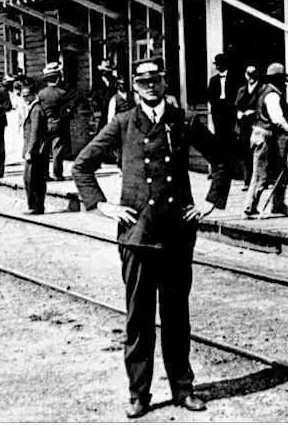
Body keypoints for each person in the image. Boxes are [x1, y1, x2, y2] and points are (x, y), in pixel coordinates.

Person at [72, 59, 230, 419]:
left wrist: (209, 202)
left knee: (177, 316)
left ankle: (183, 389)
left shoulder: (183, 121)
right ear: (135, 85)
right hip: (138, 236)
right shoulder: (123, 122)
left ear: (163, 82)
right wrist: (102, 205)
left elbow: (221, 159)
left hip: (175, 233)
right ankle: (138, 393)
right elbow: (81, 164)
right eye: (143, 82)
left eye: (155, 80)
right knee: (138, 319)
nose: (150, 87)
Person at [244, 62, 288, 218]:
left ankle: (279, 205)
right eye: (283, 80)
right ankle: (249, 208)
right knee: (260, 175)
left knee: (280, 169)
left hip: (266, 136)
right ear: (277, 79)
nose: (285, 84)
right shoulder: (272, 95)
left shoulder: (262, 91)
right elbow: (277, 118)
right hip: (264, 136)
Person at [206, 53, 240, 178]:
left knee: (231, 140)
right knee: (219, 141)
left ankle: (233, 170)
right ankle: (219, 170)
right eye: (216, 65)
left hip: (230, 113)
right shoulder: (213, 80)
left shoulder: (234, 78)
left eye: (220, 64)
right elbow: (210, 97)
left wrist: (232, 107)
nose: (217, 67)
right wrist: (217, 106)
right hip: (218, 115)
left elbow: (237, 95)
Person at [38, 62, 72, 180]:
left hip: (45, 124)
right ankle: (57, 174)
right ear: (57, 78)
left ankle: (44, 174)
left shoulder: (41, 94)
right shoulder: (62, 93)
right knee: (58, 149)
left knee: (44, 150)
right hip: (58, 124)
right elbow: (67, 111)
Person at [233, 65, 264, 192]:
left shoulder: (262, 89)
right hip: (244, 126)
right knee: (246, 154)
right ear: (246, 75)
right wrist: (239, 113)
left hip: (257, 124)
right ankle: (247, 181)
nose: (251, 78)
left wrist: (253, 112)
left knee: (259, 153)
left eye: (253, 74)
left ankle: (261, 180)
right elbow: (237, 105)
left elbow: (262, 106)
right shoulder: (242, 90)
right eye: (248, 75)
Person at [21, 78, 48, 214]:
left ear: (33, 95)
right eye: (22, 95)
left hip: (36, 150)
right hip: (34, 150)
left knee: (32, 179)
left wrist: (29, 151)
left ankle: (35, 206)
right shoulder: (33, 108)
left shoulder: (36, 109)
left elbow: (35, 132)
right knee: (30, 178)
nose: (24, 98)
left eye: (26, 95)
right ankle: (35, 206)